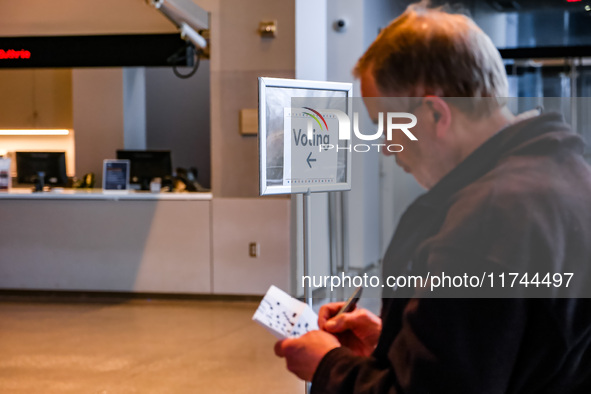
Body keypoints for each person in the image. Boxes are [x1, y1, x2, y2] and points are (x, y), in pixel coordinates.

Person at [274, 3, 591, 393]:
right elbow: (499, 351)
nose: (387, 147)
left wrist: (328, 365)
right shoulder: (564, 174)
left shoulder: (488, 217)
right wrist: (395, 341)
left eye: (388, 125)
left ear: (435, 114)